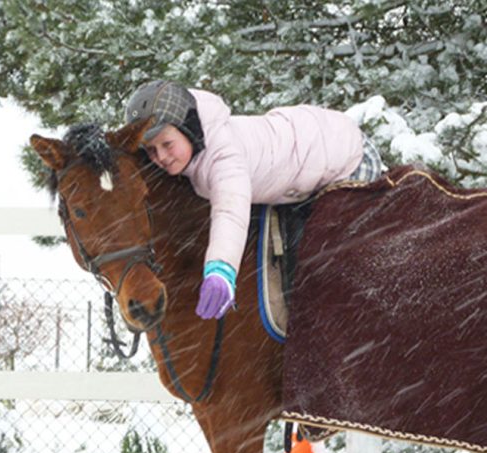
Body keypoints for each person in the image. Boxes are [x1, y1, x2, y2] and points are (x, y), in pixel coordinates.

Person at [124, 80, 384, 320]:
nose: (161, 156)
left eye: (167, 144)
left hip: (346, 154)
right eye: (151, 149)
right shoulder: (195, 148)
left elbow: (230, 211)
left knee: (326, 245)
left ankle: (354, 314)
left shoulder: (224, 156)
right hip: (302, 137)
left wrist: (221, 270)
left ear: (189, 129)